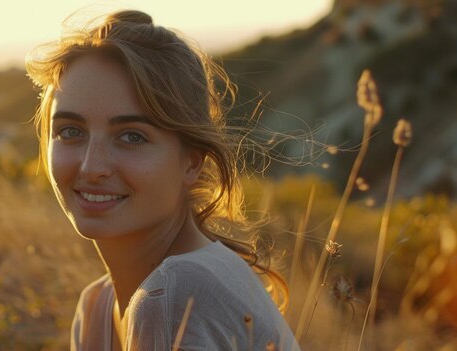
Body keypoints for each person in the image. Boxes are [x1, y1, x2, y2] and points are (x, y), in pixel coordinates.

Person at [26, 9, 300, 351]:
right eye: (70, 131)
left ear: (191, 161)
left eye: (131, 137)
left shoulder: (174, 295)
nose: (91, 167)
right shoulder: (96, 304)